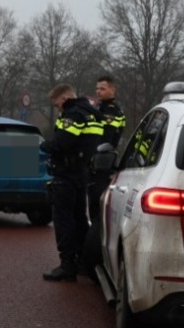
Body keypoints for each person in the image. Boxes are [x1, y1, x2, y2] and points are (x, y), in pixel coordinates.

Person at [41, 82, 103, 282]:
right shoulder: (93, 114)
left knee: (63, 219)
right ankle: (83, 262)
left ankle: (67, 265)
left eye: (57, 104)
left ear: (65, 98)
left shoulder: (73, 114)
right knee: (79, 218)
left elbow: (61, 143)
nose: (58, 108)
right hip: (82, 173)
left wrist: (45, 145)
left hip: (66, 174)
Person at [85, 73, 127, 240]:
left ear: (112, 90)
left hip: (102, 164)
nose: (98, 92)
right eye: (97, 89)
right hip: (97, 163)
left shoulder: (111, 111)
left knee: (97, 208)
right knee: (93, 207)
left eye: (102, 89)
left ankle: (96, 242)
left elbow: (105, 139)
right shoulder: (101, 108)